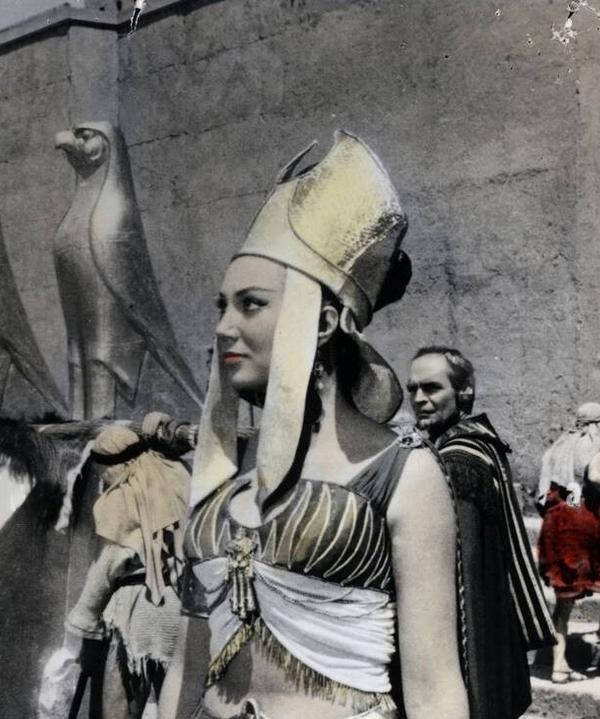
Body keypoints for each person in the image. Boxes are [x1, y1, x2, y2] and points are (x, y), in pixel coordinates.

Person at [158, 132, 467, 719]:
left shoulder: (405, 475)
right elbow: (186, 668)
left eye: (250, 304)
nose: (223, 327)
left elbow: (434, 691)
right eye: (222, 306)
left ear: (323, 322)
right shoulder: (224, 472)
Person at [406, 346, 554, 715]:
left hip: (471, 645)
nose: (419, 399)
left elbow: (463, 579)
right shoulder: (476, 443)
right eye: (412, 389)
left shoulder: (458, 460)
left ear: (464, 393)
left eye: (431, 388)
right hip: (494, 633)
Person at [57, 420, 188, 719]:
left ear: (119, 465)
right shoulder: (176, 478)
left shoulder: (121, 498)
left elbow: (108, 566)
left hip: (136, 615)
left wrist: (84, 623)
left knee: (118, 708)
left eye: (104, 470)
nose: (103, 478)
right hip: (177, 611)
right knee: (176, 706)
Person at [536, 402, 600, 683]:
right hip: (582, 520)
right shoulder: (597, 443)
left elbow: (544, 492)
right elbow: (594, 476)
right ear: (599, 422)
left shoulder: (558, 447)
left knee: (564, 596)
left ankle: (558, 666)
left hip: (556, 521)